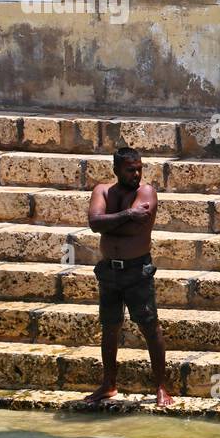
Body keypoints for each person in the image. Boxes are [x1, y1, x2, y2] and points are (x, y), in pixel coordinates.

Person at [84, 147, 171, 406]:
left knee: (149, 326)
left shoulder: (146, 192)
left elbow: (135, 227)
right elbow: (94, 222)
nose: (136, 174)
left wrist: (111, 222)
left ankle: (161, 386)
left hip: (137, 270)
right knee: (109, 327)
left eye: (139, 169)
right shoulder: (102, 190)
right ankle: (109, 384)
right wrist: (127, 215)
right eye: (130, 170)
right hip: (109, 270)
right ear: (116, 170)